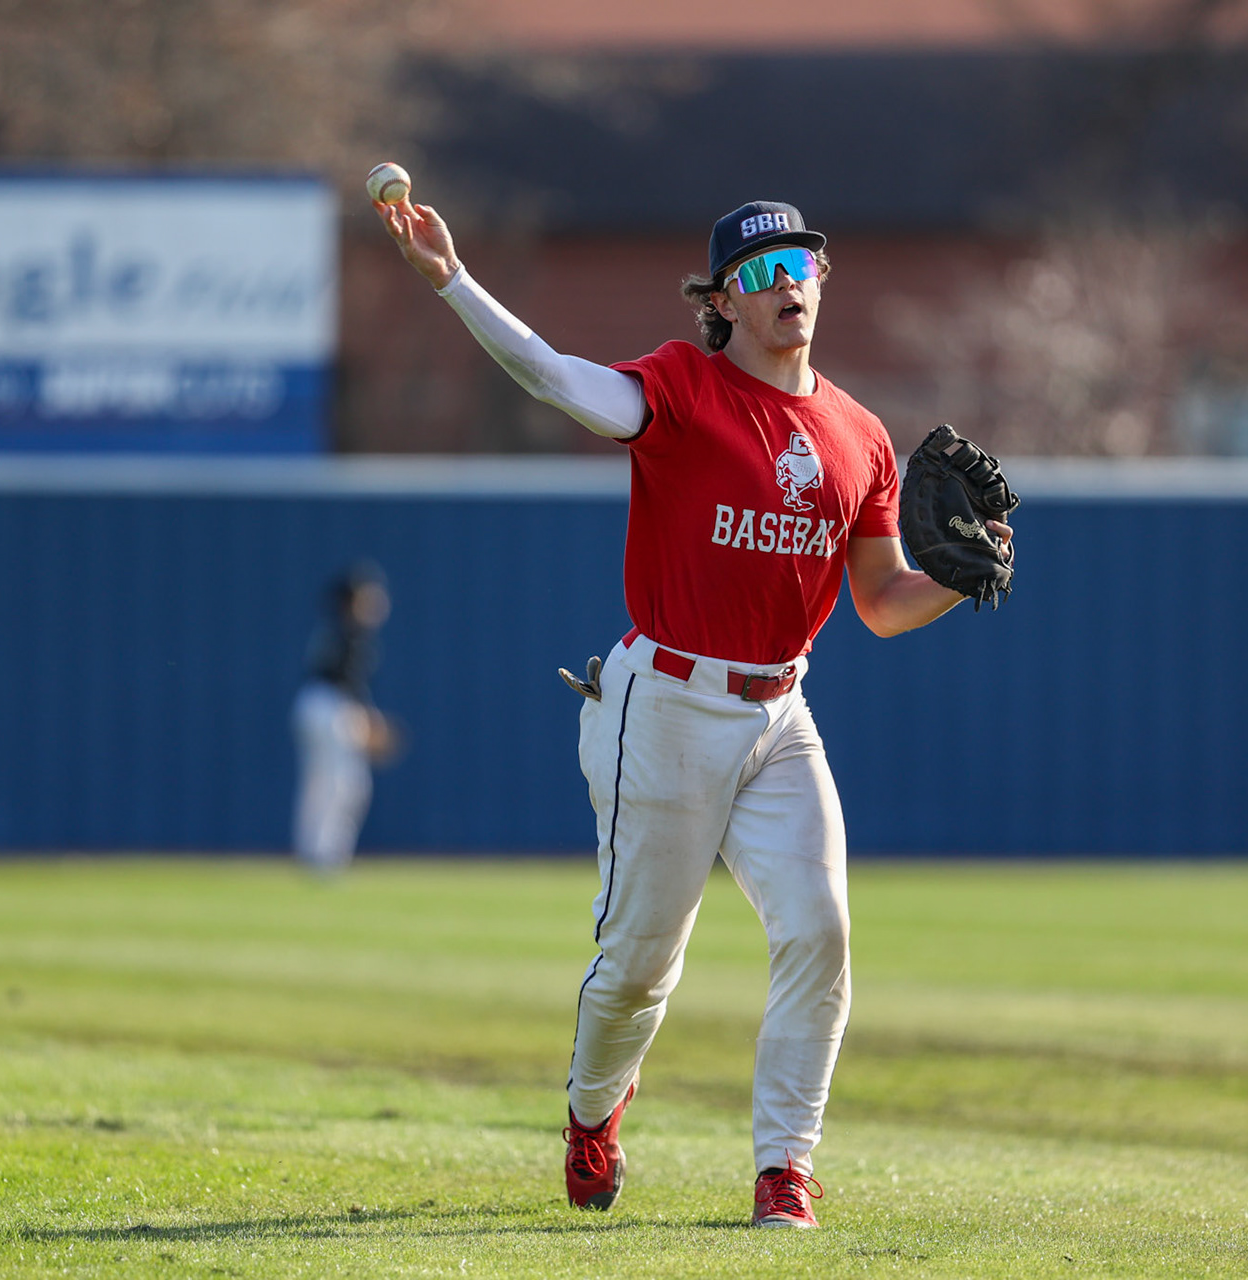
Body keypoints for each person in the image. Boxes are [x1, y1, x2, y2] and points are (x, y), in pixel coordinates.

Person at [372, 192, 1013, 1228]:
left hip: (780, 710)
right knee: (639, 964)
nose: (787, 283)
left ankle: (784, 1171)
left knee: (823, 930)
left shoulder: (859, 432)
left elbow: (886, 604)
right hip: (664, 702)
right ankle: (591, 1110)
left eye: (801, 263)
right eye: (761, 272)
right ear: (721, 299)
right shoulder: (681, 384)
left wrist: (963, 572)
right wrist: (452, 279)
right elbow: (556, 377)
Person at [291, 561, 398, 873]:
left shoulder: (333, 630)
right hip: (332, 707)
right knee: (346, 783)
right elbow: (347, 686)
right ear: (353, 600)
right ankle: (325, 857)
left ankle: (314, 853)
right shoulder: (353, 634)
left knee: (322, 783)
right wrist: (370, 721)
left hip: (313, 704)